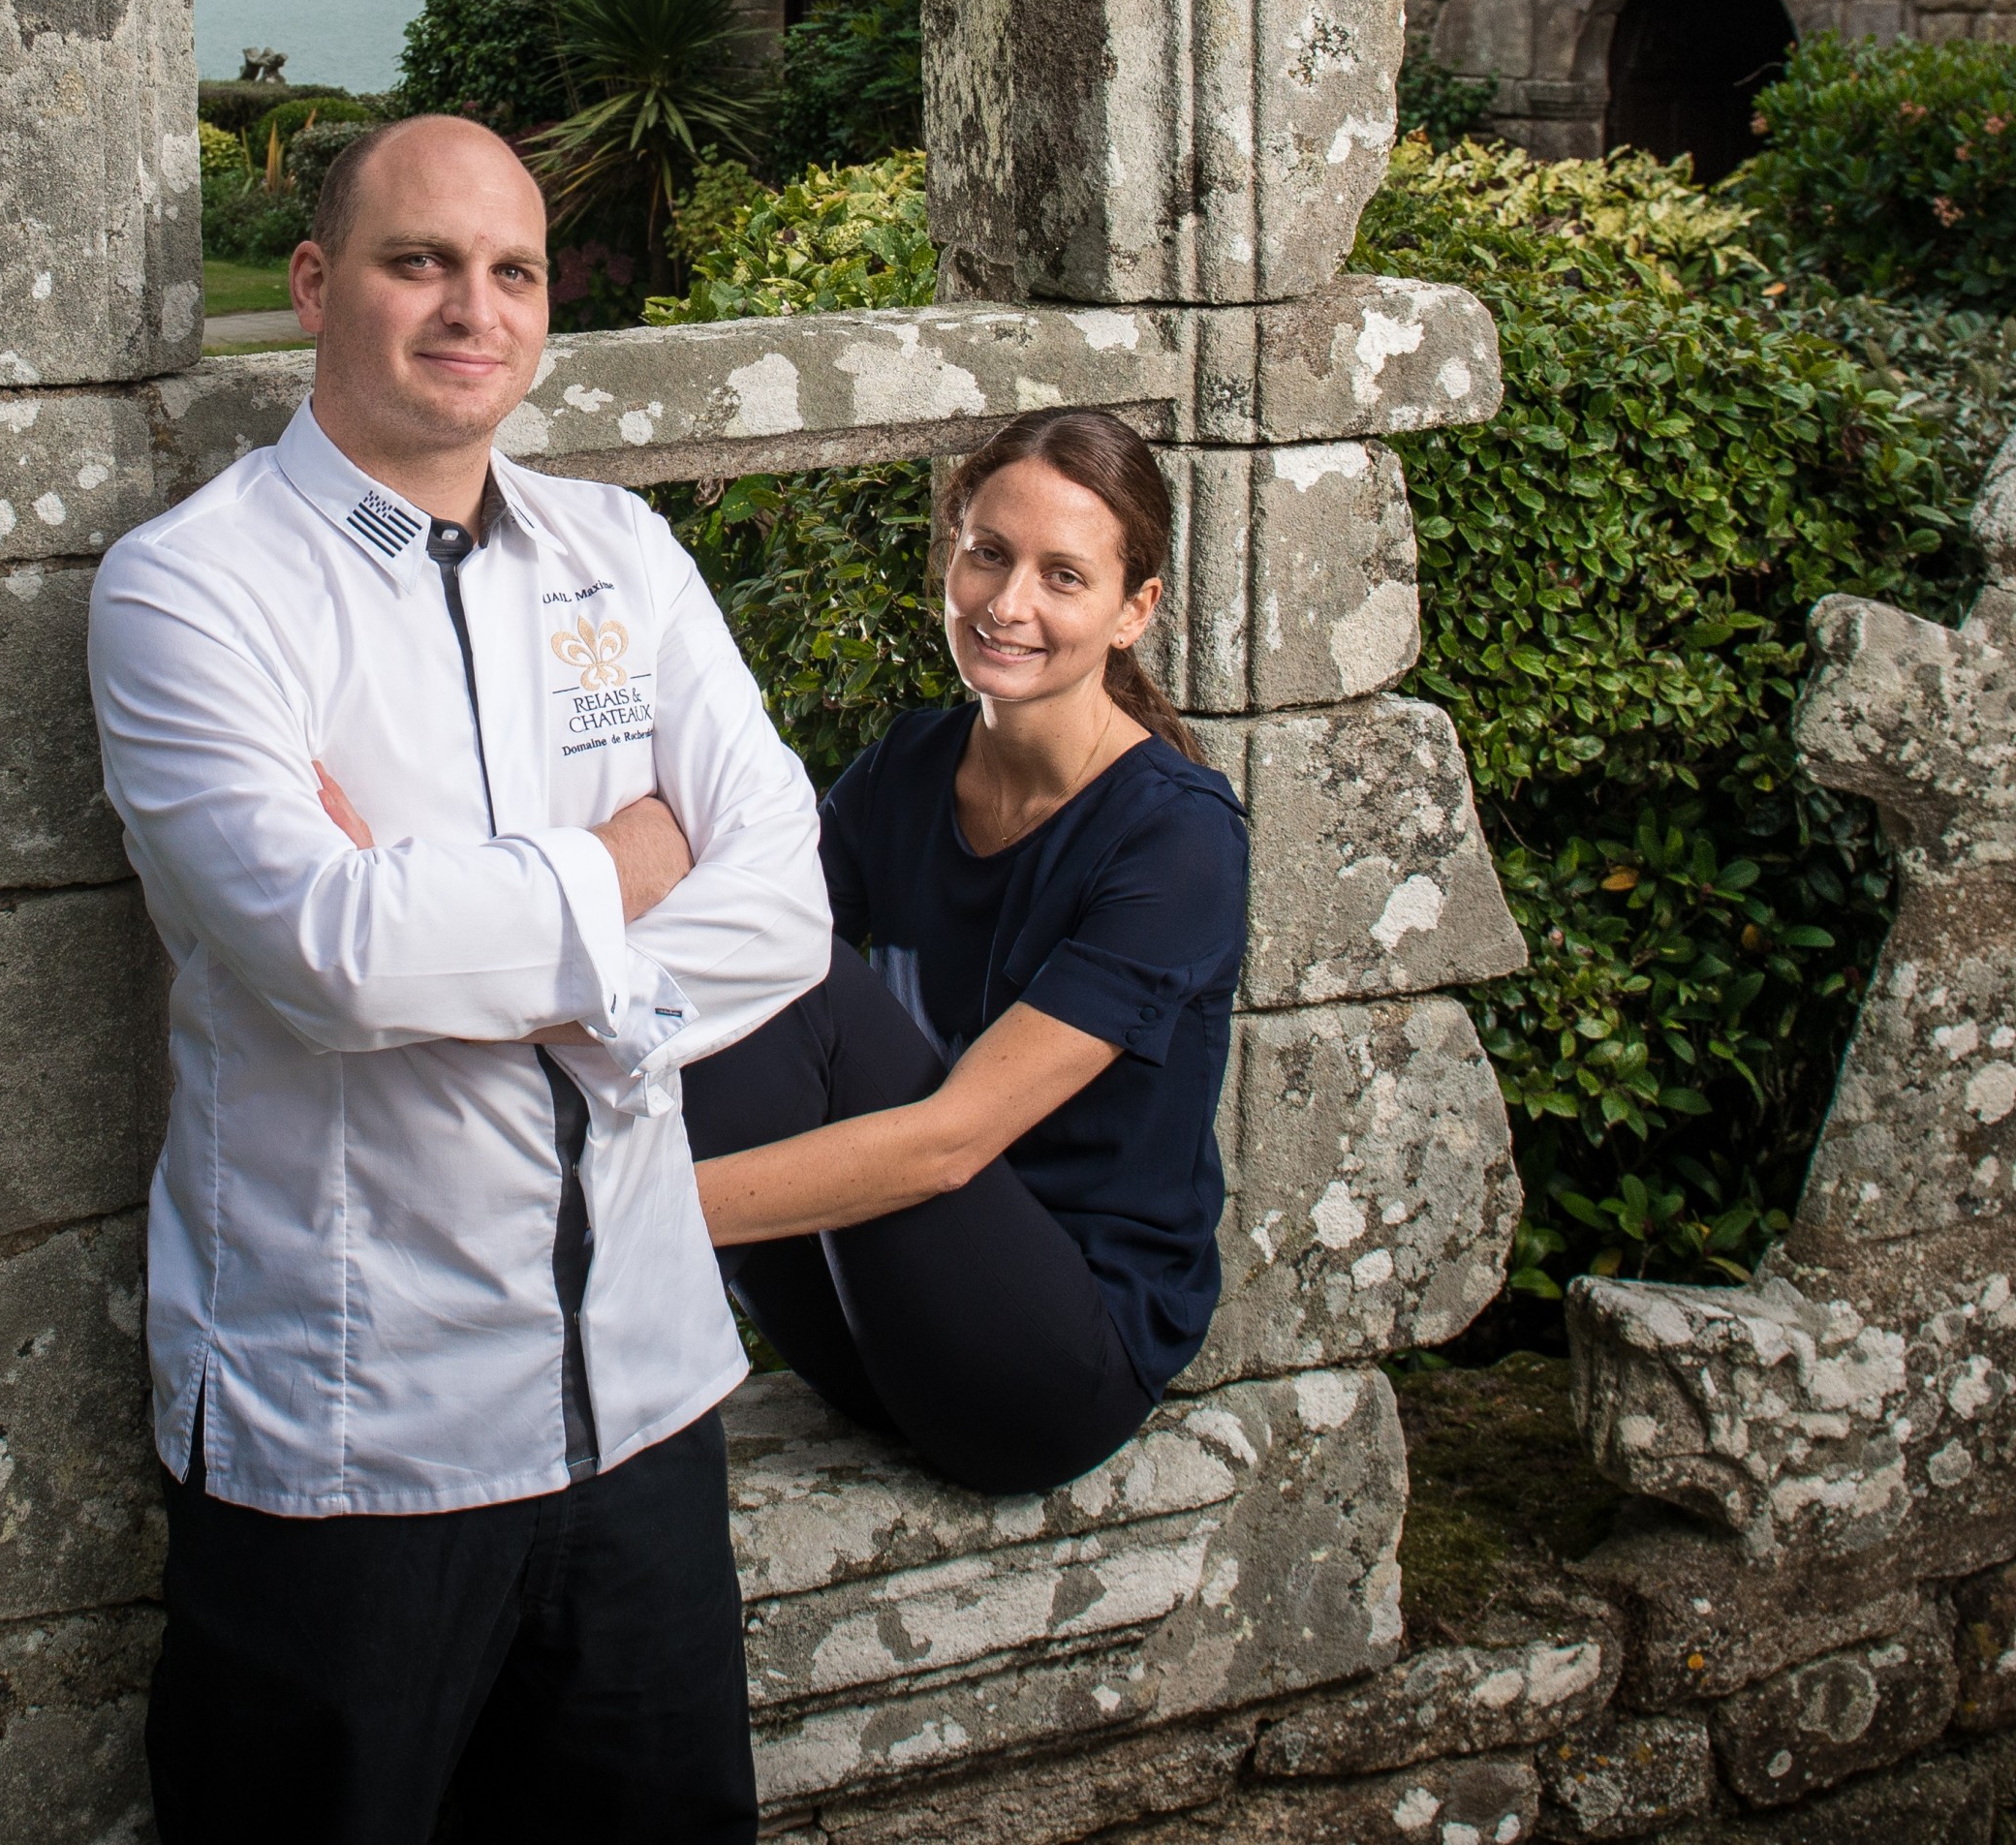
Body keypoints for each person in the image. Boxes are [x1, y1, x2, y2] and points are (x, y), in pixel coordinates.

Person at [89, 113, 831, 1845]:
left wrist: (511, 959)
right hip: (355, 1434)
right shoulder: (191, 590)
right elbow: (337, 953)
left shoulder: (620, 553)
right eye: (418, 260)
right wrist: (630, 865)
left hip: (643, 1408)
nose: (471, 308)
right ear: (313, 283)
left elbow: (787, 894)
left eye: (513, 270)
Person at [678, 408, 1247, 1498]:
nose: (1008, 603)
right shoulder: (910, 765)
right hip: (878, 1330)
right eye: (988, 554)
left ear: (1134, 611)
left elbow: (950, 1145)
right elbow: (716, 957)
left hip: (1048, 1370)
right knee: (737, 952)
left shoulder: (1177, 837)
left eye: (1063, 576)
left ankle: (551, 1301)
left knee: (799, 983)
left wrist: (620, 1211)